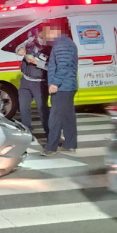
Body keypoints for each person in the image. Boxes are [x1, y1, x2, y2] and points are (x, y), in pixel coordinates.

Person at [41, 19, 78, 156]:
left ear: (55, 31)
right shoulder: (65, 43)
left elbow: (63, 66)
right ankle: (70, 144)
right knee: (68, 117)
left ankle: (51, 148)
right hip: (68, 86)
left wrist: (55, 83)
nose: (45, 36)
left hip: (63, 86)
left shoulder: (62, 44)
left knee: (55, 117)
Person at [15, 27, 51, 137]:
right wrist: (20, 50)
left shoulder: (52, 47)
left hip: (40, 82)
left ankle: (50, 134)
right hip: (26, 80)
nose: (41, 34)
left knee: (42, 110)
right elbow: (18, 47)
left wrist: (37, 62)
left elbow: (52, 67)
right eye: (41, 31)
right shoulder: (31, 41)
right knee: (24, 108)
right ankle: (27, 133)